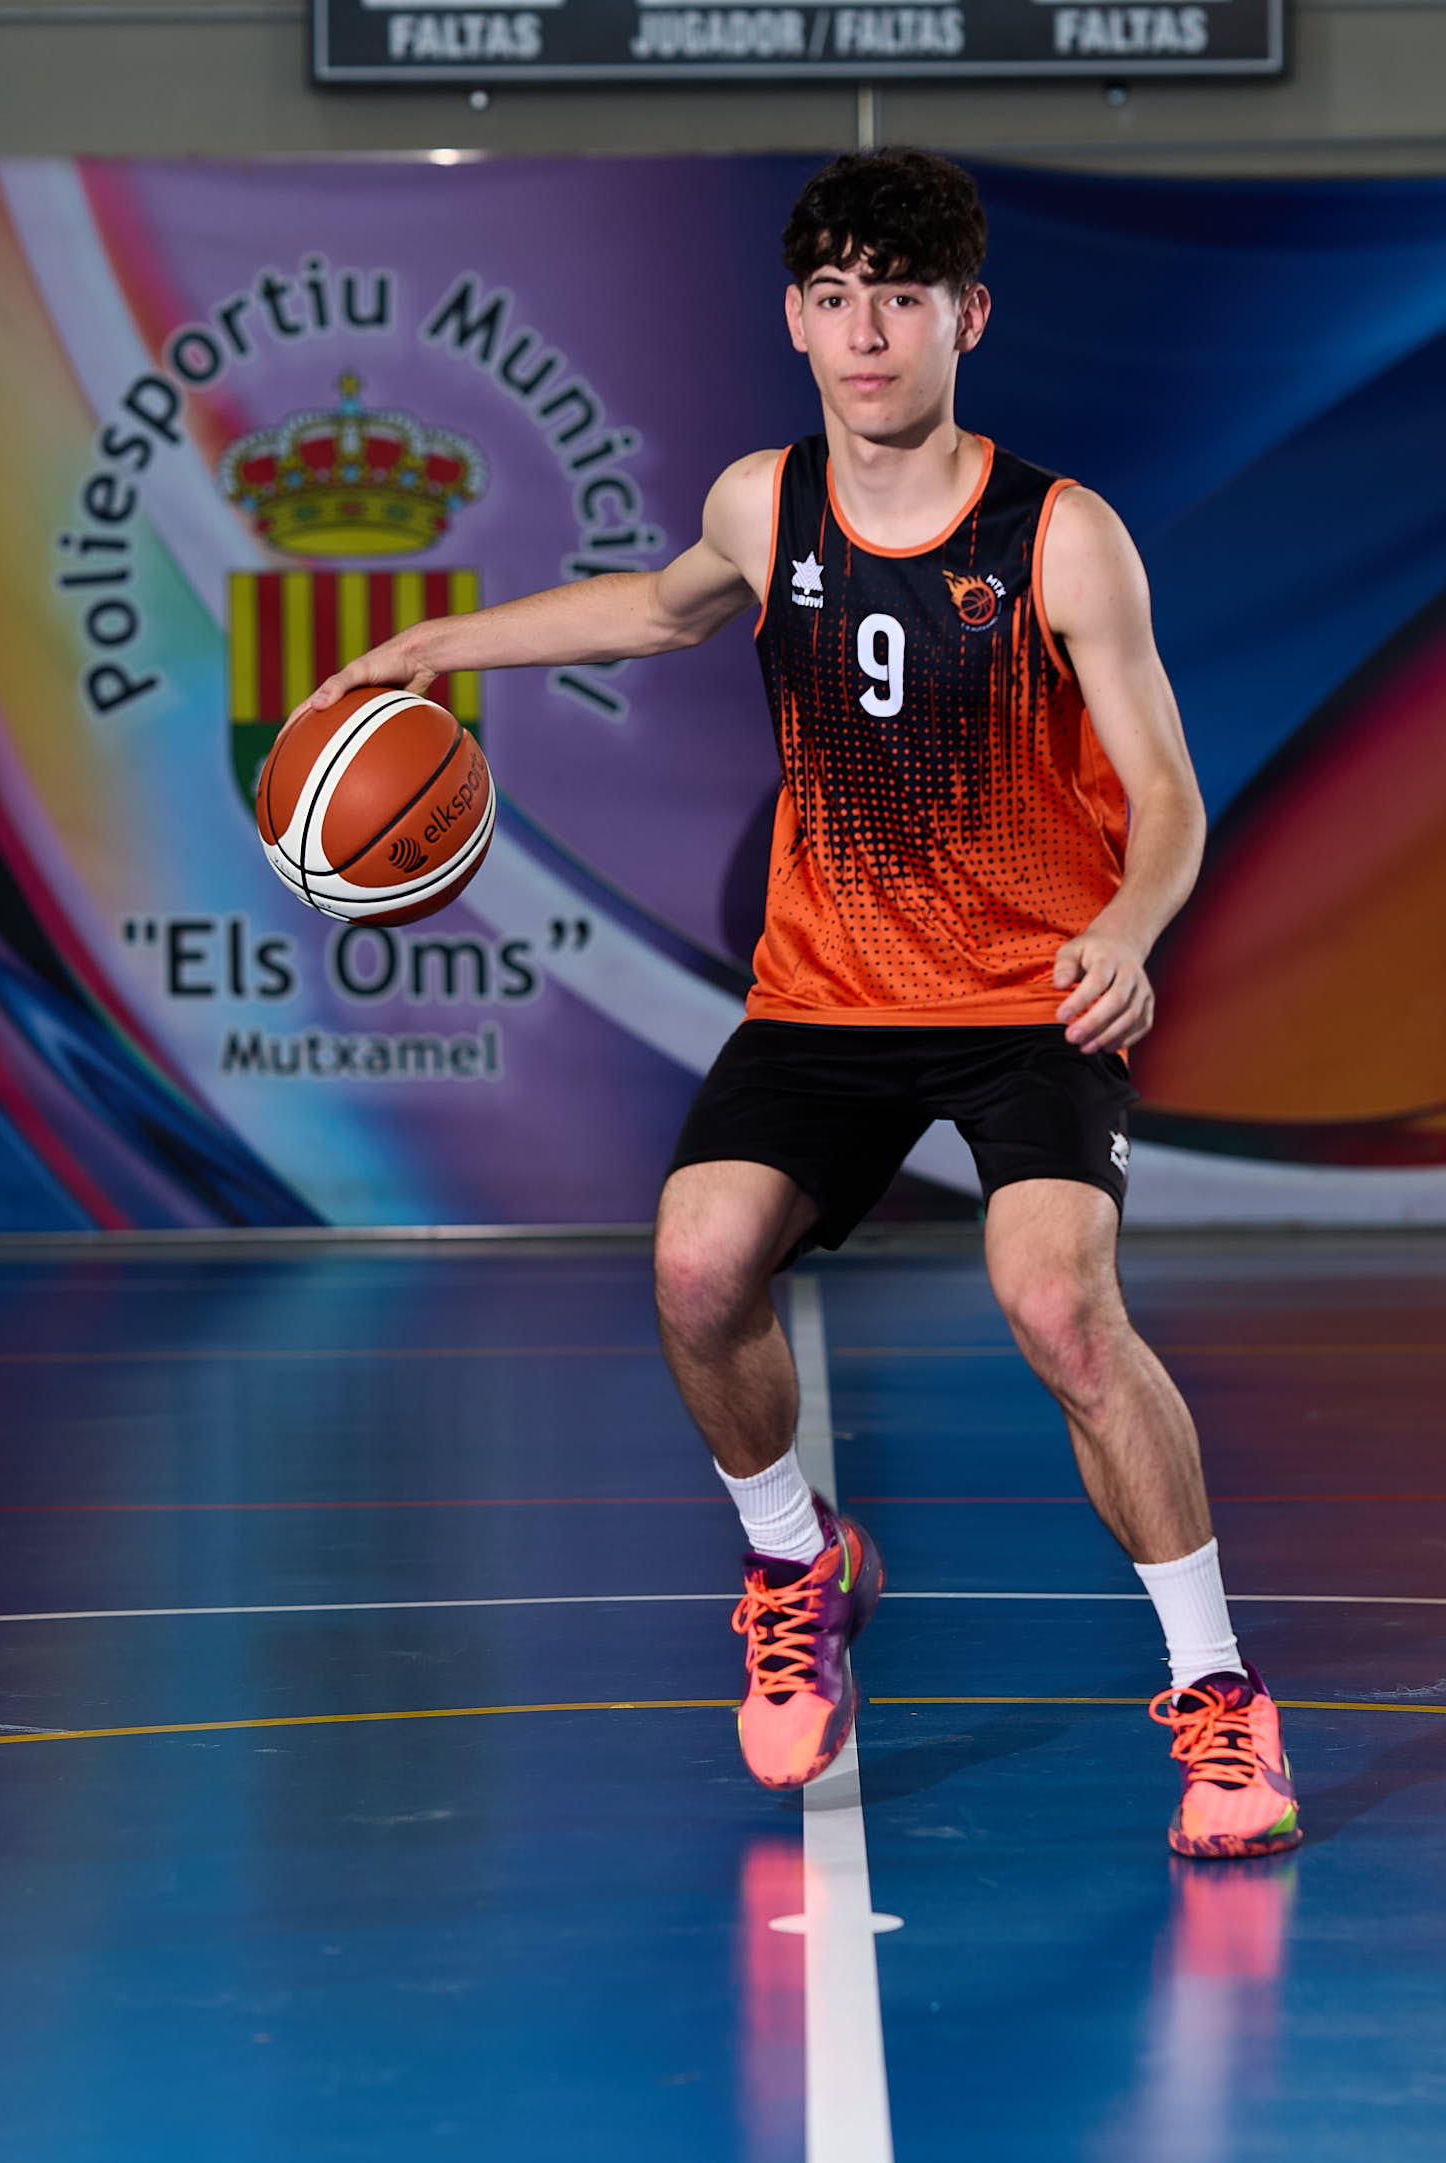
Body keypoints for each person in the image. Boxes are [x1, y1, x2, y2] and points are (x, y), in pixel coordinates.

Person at [294, 148, 1300, 1859]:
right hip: (827, 995)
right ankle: (795, 1562)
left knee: (1060, 1307)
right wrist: (432, 648)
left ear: (968, 316)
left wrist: (1132, 927)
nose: (867, 333)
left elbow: (1170, 793)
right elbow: (654, 607)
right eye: (836, 298)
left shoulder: (1061, 539)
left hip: (1026, 994)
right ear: (794, 319)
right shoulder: (767, 506)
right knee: (696, 1265)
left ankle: (1221, 1701)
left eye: (901, 298)